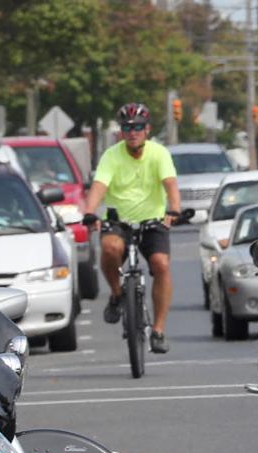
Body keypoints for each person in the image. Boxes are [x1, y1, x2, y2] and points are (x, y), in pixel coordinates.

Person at [81, 102, 182, 354]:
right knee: (109, 247)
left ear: (147, 129)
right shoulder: (111, 155)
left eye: (137, 127)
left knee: (161, 264)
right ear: (121, 131)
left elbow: (170, 185)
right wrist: (90, 212)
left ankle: (158, 330)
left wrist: (175, 210)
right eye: (127, 127)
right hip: (119, 222)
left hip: (153, 221)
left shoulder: (159, 154)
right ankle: (117, 295)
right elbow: (99, 187)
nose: (132, 132)